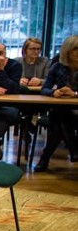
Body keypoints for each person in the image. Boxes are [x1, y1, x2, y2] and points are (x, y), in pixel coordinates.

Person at [34, 35, 78, 171]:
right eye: (75, 49)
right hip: (63, 109)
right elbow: (44, 89)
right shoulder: (58, 67)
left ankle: (44, 159)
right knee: (61, 115)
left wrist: (75, 94)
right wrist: (54, 93)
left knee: (59, 124)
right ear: (67, 51)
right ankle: (74, 150)